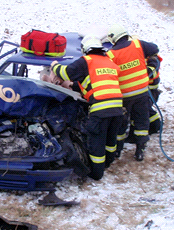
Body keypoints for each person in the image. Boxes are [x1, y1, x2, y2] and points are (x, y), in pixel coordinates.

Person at [51, 35, 123, 180]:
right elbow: (97, 82)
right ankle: (108, 163)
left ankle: (97, 174)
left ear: (86, 50)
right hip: (117, 108)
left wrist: (54, 66)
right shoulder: (109, 63)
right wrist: (74, 86)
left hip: (100, 108)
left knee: (96, 142)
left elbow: (67, 73)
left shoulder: (87, 61)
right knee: (110, 139)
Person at [106, 24, 160, 161]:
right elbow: (155, 49)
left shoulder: (110, 54)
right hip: (142, 93)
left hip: (124, 96)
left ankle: (117, 151)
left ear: (113, 39)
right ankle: (140, 151)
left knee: (122, 123)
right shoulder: (137, 45)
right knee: (142, 121)